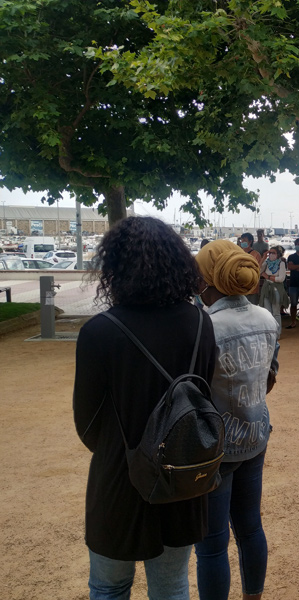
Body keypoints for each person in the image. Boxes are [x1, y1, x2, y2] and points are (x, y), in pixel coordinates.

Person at [73, 216, 217, 599]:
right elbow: (205, 397)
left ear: (114, 267)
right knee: (171, 587)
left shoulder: (99, 332)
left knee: (109, 587)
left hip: (120, 475)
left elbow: (86, 423)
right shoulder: (201, 322)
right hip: (182, 474)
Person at [194, 240, 279, 600]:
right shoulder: (266, 319)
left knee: (211, 545)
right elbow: (270, 378)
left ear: (208, 280)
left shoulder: (205, 326)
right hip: (255, 435)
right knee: (250, 528)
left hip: (215, 445)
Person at [259, 246, 289, 337]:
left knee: (276, 312)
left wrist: (267, 276)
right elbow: (258, 270)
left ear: (278, 254)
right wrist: (263, 257)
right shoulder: (266, 262)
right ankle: (269, 332)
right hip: (266, 288)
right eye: (270, 253)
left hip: (276, 289)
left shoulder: (281, 263)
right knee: (267, 312)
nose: (271, 255)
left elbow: (281, 278)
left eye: (273, 253)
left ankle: (277, 333)